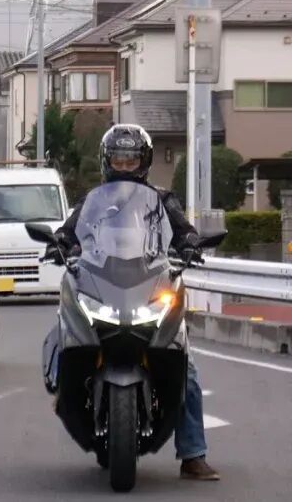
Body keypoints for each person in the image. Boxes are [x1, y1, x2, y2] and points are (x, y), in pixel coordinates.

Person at [52, 124, 220, 482]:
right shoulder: (92, 202)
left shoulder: (162, 201)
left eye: (131, 160)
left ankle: (193, 454)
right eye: (119, 159)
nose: (125, 166)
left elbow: (184, 230)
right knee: (71, 331)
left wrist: (190, 242)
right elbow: (69, 231)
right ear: (107, 161)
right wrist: (59, 242)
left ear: (143, 162)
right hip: (106, 285)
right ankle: (63, 383)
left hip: (148, 285)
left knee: (185, 367)